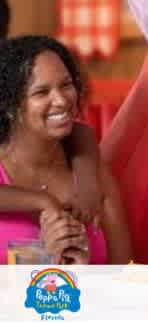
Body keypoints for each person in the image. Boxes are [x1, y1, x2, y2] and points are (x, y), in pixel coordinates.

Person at [0, 36, 131, 264]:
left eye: (66, 85)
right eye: (41, 92)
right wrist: (45, 256)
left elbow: (124, 276)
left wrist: (82, 272)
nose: (61, 100)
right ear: (11, 105)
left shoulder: (90, 171)